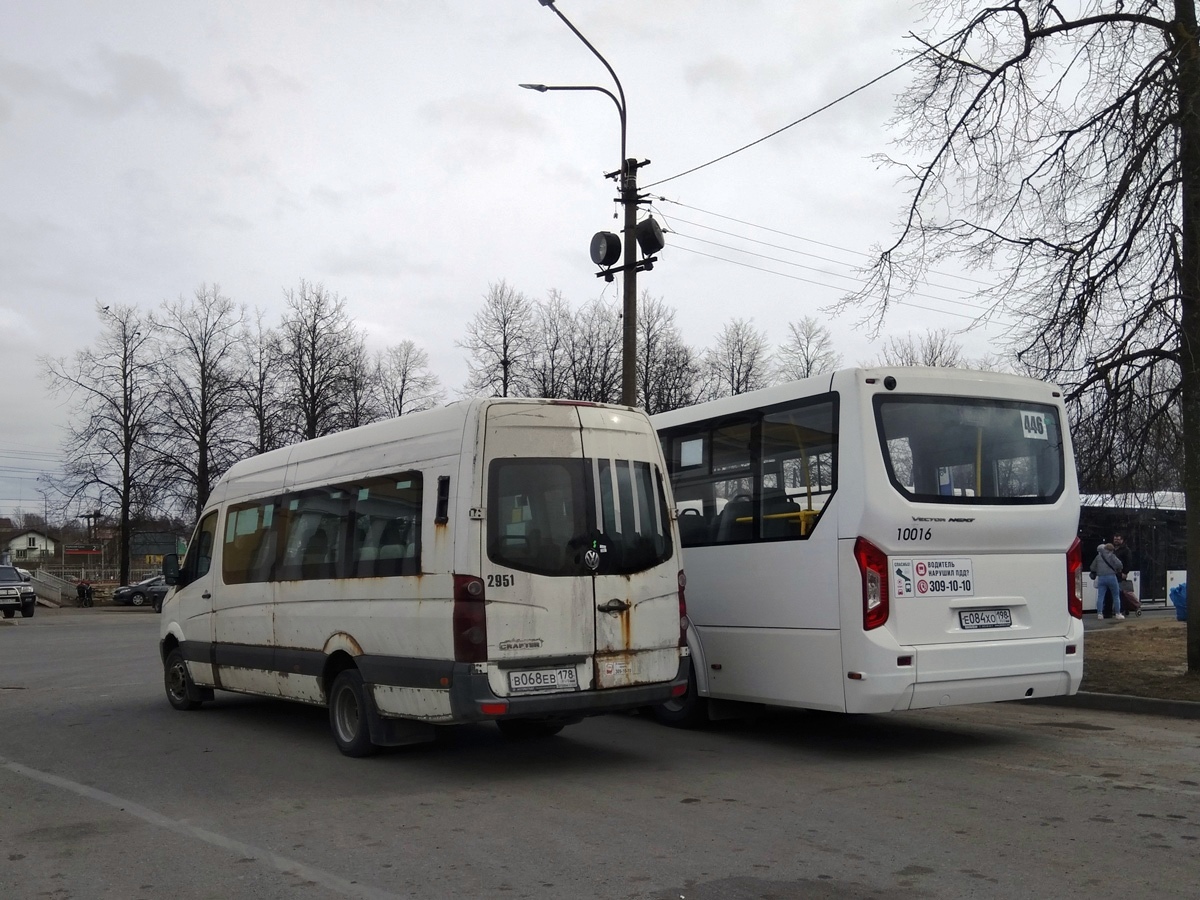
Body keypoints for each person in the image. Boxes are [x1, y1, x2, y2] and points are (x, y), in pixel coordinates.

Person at [1091, 542, 1124, 621]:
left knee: (1100, 596)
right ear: (1111, 550)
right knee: (1116, 596)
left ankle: (1099, 614)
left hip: (1101, 578)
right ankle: (1118, 614)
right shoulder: (1112, 556)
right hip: (1112, 577)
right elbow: (1120, 565)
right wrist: (1117, 569)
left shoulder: (1098, 557)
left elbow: (1092, 567)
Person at [1111, 532, 1135, 616]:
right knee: (1115, 592)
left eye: (1118, 539)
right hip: (1113, 574)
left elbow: (1129, 562)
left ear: (1122, 540)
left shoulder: (1126, 550)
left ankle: (1123, 609)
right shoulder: (1112, 549)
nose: (1116, 541)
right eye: (1115, 539)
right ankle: (1117, 609)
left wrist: (1125, 572)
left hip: (1120, 574)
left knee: (1121, 592)